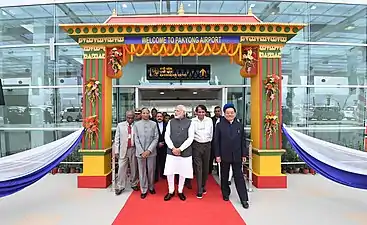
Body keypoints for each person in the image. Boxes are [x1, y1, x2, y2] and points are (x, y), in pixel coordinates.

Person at [214, 103, 249, 209]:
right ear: (224, 114)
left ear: (235, 113)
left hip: (237, 155)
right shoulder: (219, 125)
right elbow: (216, 141)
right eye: (227, 113)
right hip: (224, 155)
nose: (230, 114)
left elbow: (243, 141)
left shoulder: (239, 124)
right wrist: (217, 155)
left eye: (232, 112)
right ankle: (225, 193)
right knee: (224, 176)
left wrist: (244, 154)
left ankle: (244, 199)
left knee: (239, 177)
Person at [163, 105, 194, 201]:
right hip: (171, 152)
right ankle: (171, 191)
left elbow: (190, 138)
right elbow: (166, 136)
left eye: (178, 111)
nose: (176, 112)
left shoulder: (190, 122)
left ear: (183, 112)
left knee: (183, 172)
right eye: (175, 110)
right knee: (170, 172)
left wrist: (180, 149)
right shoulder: (170, 122)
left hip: (185, 152)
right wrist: (173, 148)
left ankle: (180, 191)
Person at [134, 108, 159, 199]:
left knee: (151, 171)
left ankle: (151, 187)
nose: (145, 114)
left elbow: (156, 138)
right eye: (143, 113)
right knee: (142, 171)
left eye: (147, 113)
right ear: (141, 114)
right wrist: (141, 152)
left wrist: (149, 150)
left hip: (151, 152)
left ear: (149, 114)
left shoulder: (154, 124)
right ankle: (143, 189)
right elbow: (135, 139)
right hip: (140, 153)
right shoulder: (136, 124)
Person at [113, 110, 139, 195]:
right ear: (126, 117)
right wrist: (116, 151)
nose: (130, 119)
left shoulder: (137, 125)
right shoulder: (120, 125)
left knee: (134, 168)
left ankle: (134, 183)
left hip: (134, 149)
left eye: (132, 117)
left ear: (134, 117)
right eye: (128, 117)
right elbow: (117, 139)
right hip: (123, 150)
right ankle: (120, 186)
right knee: (121, 168)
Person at [192, 105, 213, 198]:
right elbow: (191, 134)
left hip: (207, 145)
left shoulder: (209, 120)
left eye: (203, 112)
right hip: (196, 145)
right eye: (199, 112)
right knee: (198, 167)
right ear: (196, 112)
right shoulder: (192, 121)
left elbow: (211, 133)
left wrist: (208, 142)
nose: (201, 114)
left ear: (205, 112)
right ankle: (199, 189)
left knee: (206, 167)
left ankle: (203, 185)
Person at [155, 112, 167, 181]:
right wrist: (157, 143)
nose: (159, 118)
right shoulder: (153, 125)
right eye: (158, 116)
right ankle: (155, 176)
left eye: (160, 116)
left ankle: (163, 174)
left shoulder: (167, 124)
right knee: (155, 162)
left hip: (165, 146)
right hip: (155, 146)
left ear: (163, 117)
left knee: (164, 161)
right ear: (156, 117)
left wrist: (164, 143)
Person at [210, 106, 222, 175]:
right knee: (210, 157)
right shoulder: (211, 120)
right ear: (214, 112)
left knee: (219, 157)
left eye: (218, 111)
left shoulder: (223, 119)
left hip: (220, 142)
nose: (217, 112)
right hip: (212, 141)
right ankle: (209, 171)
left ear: (221, 112)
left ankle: (219, 171)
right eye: (216, 111)